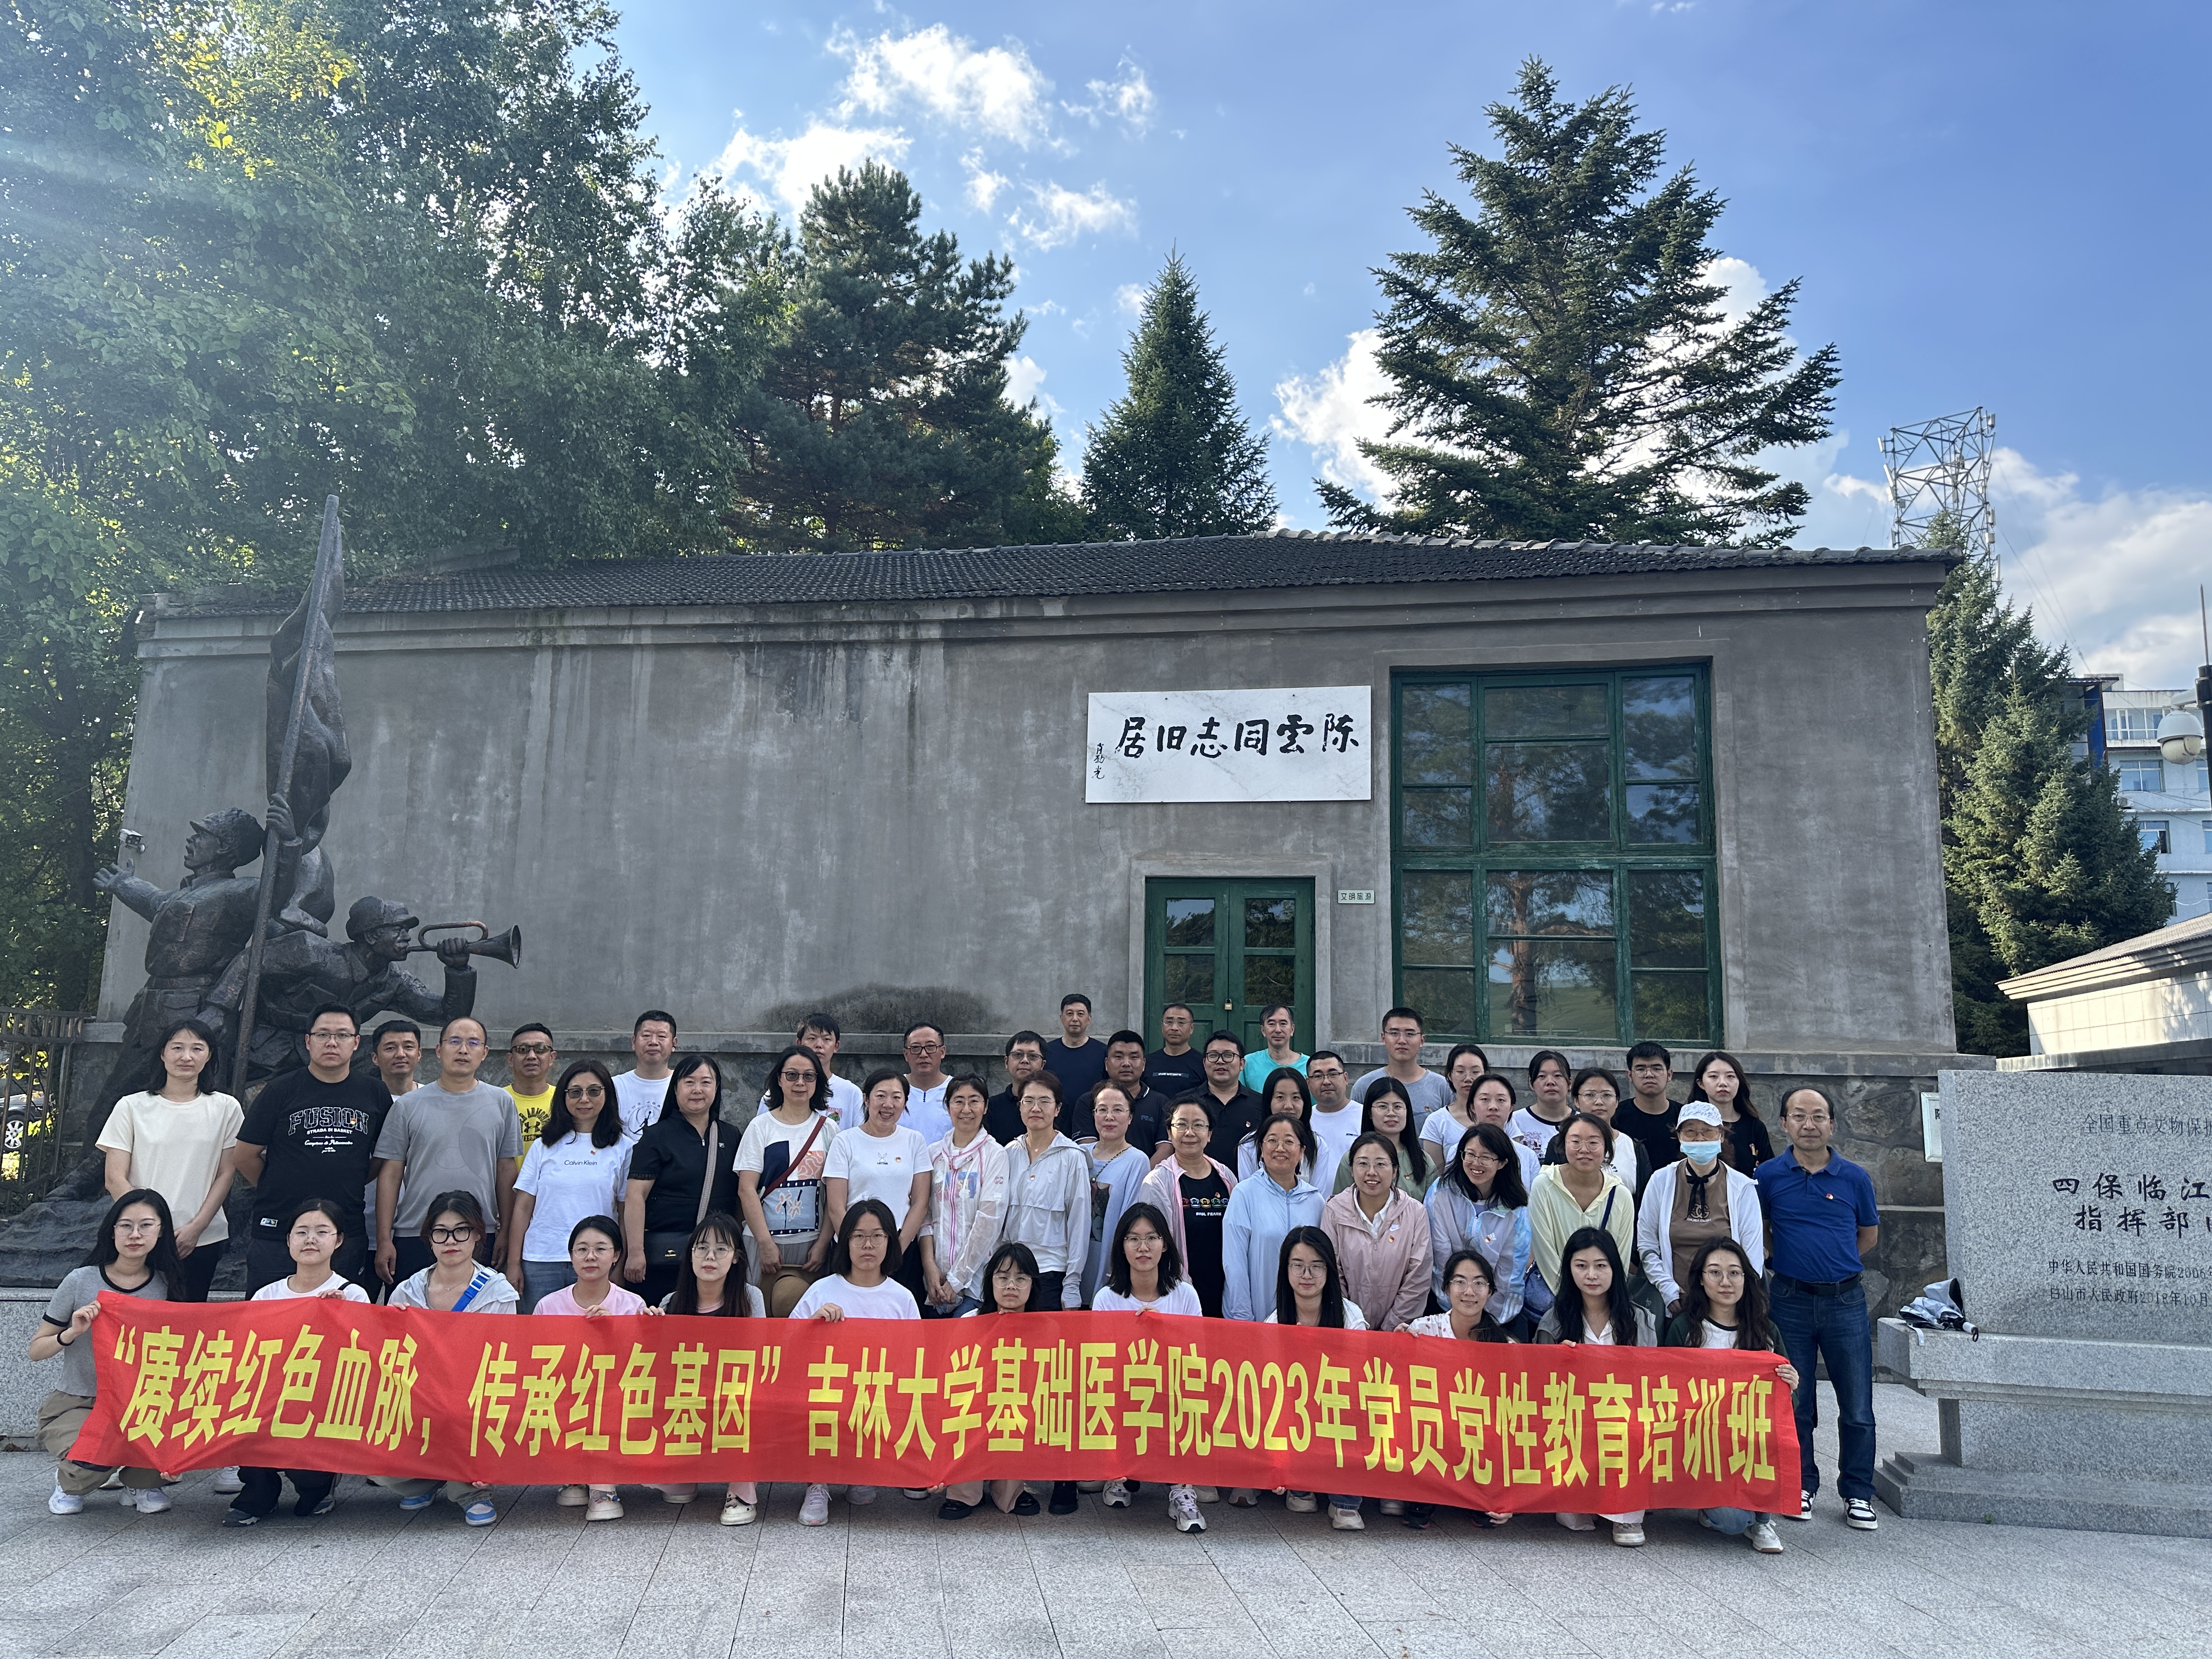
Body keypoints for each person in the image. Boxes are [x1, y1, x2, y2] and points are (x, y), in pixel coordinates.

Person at [1757, 1085, 1881, 1531]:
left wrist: (1834, 1264)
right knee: (1796, 1401)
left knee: (1857, 1404)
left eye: (1818, 1117)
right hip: (1789, 1299)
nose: (1808, 1125)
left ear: (1831, 1123)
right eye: (1799, 1116)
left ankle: (1858, 1492)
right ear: (1784, 1123)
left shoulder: (1855, 1178)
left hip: (1845, 1301)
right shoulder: (1768, 1176)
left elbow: (1868, 1235)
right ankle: (1802, 1484)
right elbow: (1762, 1230)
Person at [32, 1188, 180, 1515]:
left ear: (161, 1231)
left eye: (146, 1225)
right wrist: (71, 1333)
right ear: (112, 1231)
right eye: (125, 1225)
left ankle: (140, 1483)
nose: (135, 1235)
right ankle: (70, 1480)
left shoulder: (168, 1285)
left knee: (172, 1448)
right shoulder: (80, 1281)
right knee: (92, 1456)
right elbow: (36, 1350)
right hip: (80, 1401)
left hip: (143, 1403)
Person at [227, 1197, 370, 1526]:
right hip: (270, 1397)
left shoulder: (353, 1294)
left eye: (322, 1232)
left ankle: (319, 1486)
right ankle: (259, 1492)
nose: (310, 1240)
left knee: (309, 1479)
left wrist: (341, 1318)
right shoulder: (267, 1295)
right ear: (288, 1239)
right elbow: (247, 1353)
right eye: (302, 1232)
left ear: (338, 1240)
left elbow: (362, 1360)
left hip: (321, 1402)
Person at [376, 1190, 516, 1525]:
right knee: (376, 1446)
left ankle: (471, 1492)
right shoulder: (408, 1290)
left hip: (475, 1391)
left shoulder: (497, 1291)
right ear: (429, 1238)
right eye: (441, 1232)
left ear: (478, 1235)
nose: (451, 1241)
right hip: (419, 1391)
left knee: (458, 1413)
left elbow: (503, 1359)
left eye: (461, 1231)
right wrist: (393, 1325)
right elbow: (389, 1355)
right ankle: (425, 1479)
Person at [235, 1003, 389, 1295]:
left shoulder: (375, 1092)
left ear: (356, 1042)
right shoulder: (280, 1090)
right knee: (269, 1315)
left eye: (342, 1035)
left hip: (344, 1230)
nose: (332, 1042)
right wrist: (277, 1185)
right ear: (308, 1041)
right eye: (323, 1035)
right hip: (279, 1229)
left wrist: (351, 1178)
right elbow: (244, 1155)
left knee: (338, 1315)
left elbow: (383, 1156)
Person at [1664, 1237, 1798, 1554]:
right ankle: (1712, 1506)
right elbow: (1664, 1390)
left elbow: (1782, 1406)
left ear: (1746, 1279)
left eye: (1734, 1273)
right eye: (1715, 1272)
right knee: (1733, 1522)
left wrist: (1792, 1384)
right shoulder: (1685, 1328)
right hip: (1700, 1444)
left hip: (1749, 1443)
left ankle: (1763, 1519)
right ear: (1701, 1279)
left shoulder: (1765, 1331)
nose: (1726, 1282)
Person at [95, 1018, 242, 1303]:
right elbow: (114, 1178)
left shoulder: (226, 1108)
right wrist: (148, 1227)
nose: (187, 1057)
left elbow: (226, 1174)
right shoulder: (132, 1106)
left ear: (209, 1055)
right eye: (177, 1048)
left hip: (200, 1239)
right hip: (139, 1238)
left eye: (197, 1048)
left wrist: (197, 1228)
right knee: (135, 1319)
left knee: (187, 1320)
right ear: (163, 1053)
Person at [792, 1200, 920, 1525]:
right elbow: (786, 1346)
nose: (868, 1245)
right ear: (845, 1241)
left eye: (877, 1236)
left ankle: (861, 1470)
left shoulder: (902, 1298)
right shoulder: (822, 1290)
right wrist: (813, 1323)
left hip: (878, 1393)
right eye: (859, 1236)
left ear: (890, 1241)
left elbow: (916, 1358)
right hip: (829, 1391)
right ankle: (817, 1483)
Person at [373, 1015, 521, 1286]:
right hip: (415, 1231)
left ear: (485, 1053)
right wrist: (384, 1239)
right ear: (439, 1050)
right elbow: (391, 1174)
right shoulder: (408, 1105)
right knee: (412, 1311)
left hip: (479, 1231)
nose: (463, 1050)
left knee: (475, 1311)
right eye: (455, 1041)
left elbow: (506, 1170)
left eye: (473, 1043)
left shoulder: (501, 1102)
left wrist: (506, 1232)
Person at [1534, 1227, 1656, 1545]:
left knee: (1634, 1429)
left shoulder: (1639, 1320)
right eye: (1581, 1266)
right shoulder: (1554, 1321)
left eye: (1601, 1266)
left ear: (1615, 1268)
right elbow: (1541, 1387)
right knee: (1573, 1515)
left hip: (1623, 1415)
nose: (1591, 1275)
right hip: (1574, 1416)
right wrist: (1561, 1364)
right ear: (1569, 1269)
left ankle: (1626, 1515)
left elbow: (1652, 1382)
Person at [1088, 1206, 1205, 1529]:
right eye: (1134, 1239)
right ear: (1122, 1246)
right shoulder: (1106, 1299)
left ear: (1164, 1244)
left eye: (1152, 1238)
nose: (1143, 1248)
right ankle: (1118, 1471)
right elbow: (1099, 1361)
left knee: (1189, 1397)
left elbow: (1198, 1358)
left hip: (1173, 1389)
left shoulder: (1185, 1295)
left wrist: (1165, 1332)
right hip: (1125, 1388)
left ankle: (1182, 1487)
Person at [657, 1212, 766, 1525]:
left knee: (745, 1402)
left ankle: (741, 1490)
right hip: (688, 1392)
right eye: (702, 1248)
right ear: (690, 1254)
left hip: (733, 1390)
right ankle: (685, 1472)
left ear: (736, 1257)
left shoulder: (750, 1298)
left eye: (721, 1249)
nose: (710, 1257)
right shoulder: (671, 1302)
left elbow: (759, 1357)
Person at [537, 1215, 647, 1520]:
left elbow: (640, 1367)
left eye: (600, 1249)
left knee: (604, 1400)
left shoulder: (632, 1304)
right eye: (582, 1249)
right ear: (571, 1255)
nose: (590, 1257)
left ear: (617, 1256)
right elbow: (537, 1364)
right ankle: (574, 1475)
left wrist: (614, 1331)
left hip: (614, 1394)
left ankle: (603, 1486)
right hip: (564, 1392)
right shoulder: (548, 1306)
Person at [1402, 1248, 1516, 1530]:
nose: (1469, 1292)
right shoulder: (1423, 1330)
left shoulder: (1505, 1346)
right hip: (1434, 1429)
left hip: (1478, 1434)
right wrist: (1397, 1346)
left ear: (1490, 1291)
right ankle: (1423, 1493)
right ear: (1446, 1288)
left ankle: (1483, 1493)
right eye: (1460, 1282)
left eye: (1479, 1283)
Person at [505, 1059, 630, 1311]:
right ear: (563, 1096)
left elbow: (625, 1210)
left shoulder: (623, 1147)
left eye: (593, 1091)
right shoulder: (544, 1145)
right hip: (541, 1260)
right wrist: (513, 1263)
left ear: (607, 1094)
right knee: (541, 1333)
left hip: (596, 1261)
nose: (584, 1099)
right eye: (575, 1092)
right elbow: (523, 1208)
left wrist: (622, 1261)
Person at [939, 1242, 1052, 1520]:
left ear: (1032, 1284)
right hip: (975, 1403)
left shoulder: (1047, 1327)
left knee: (1017, 1414)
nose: (1011, 1286)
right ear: (991, 1282)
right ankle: (963, 1492)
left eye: (1021, 1279)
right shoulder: (970, 1321)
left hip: (1019, 1405)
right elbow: (953, 1375)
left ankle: (1010, 1491)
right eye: (1003, 1277)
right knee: (966, 1414)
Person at [1265, 1228, 1367, 1528]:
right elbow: (1267, 1388)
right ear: (1286, 1270)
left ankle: (1345, 1501)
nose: (1307, 1275)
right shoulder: (1274, 1322)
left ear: (1329, 1270)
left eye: (1316, 1266)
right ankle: (1299, 1487)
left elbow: (1359, 1380)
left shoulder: (1350, 1316)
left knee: (1352, 1413)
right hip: (1296, 1412)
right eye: (1298, 1266)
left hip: (1338, 1409)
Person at [622, 1054, 739, 1308]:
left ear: (717, 1088)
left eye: (706, 1082)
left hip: (715, 1258)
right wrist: (636, 1252)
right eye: (689, 1082)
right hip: (664, 1259)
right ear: (675, 1089)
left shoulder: (731, 1136)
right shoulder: (656, 1137)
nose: (698, 1090)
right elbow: (635, 1196)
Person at [737, 1045, 840, 1318]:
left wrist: (823, 1244)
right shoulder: (760, 1127)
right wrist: (765, 1243)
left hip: (811, 1245)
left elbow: (834, 1195)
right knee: (758, 1316)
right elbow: (746, 1189)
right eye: (792, 1075)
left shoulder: (829, 1129)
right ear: (779, 1080)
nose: (800, 1083)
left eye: (808, 1076)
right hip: (763, 1242)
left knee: (807, 1318)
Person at [1637, 1101, 1765, 1318]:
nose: (1700, 1139)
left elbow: (1752, 1255)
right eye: (1690, 1132)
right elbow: (1647, 1243)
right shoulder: (1660, 1181)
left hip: (1727, 1305)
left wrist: (1730, 1299)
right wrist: (1667, 1288)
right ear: (1679, 1137)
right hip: (1675, 1301)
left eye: (1708, 1132)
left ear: (1721, 1136)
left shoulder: (1742, 1188)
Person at [823, 1068, 932, 1306]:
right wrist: (854, 1245)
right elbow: (836, 1207)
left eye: (896, 1097)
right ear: (866, 1099)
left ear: (905, 1102)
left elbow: (920, 1202)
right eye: (881, 1096)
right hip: (853, 1249)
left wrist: (895, 1250)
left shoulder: (915, 1141)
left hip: (901, 1250)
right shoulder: (845, 1141)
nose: (888, 1105)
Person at [1136, 1097, 1236, 1317]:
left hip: (1225, 1291)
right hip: (1179, 1292)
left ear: (1209, 1134)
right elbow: (1155, 1245)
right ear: (1169, 1133)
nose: (1190, 1133)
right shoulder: (1157, 1182)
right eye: (1181, 1125)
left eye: (1198, 1125)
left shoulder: (1226, 1177)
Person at [1322, 1132, 1431, 1331]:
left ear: (1395, 1171)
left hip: (1398, 1331)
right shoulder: (1335, 1211)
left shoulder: (1415, 1213)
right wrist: (1353, 1324)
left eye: (1381, 1164)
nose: (1371, 1172)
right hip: (1348, 1328)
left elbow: (1418, 1277)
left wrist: (1389, 1329)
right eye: (1363, 1164)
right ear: (1352, 1169)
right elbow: (1332, 1272)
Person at [1425, 1124, 1531, 1328]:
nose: (1476, 1163)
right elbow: (1440, 1257)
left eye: (1486, 1157)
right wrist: (1457, 1311)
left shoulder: (1516, 1208)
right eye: (1470, 1155)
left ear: (1502, 1163)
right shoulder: (1440, 1194)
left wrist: (1489, 1320)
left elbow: (1510, 1271)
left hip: (1496, 1315)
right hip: (1446, 1308)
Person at [921, 1074, 1008, 1316]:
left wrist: (957, 1280)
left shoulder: (995, 1155)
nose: (966, 1110)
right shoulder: (933, 1154)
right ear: (948, 1106)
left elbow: (988, 1222)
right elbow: (925, 1216)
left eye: (974, 1101)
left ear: (986, 1106)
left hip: (976, 1284)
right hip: (935, 1285)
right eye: (959, 1101)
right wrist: (930, 1269)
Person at [1222, 1113, 1322, 1322]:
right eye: (1272, 1141)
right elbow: (1235, 1264)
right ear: (1261, 1149)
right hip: (1257, 1316)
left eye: (1289, 1142)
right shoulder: (1245, 1194)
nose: (1280, 1148)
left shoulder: (1315, 1200)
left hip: (1305, 1320)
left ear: (1302, 1151)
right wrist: (1243, 1318)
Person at [1001, 1072, 1089, 1309]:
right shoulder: (1008, 1153)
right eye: (1028, 1101)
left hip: (1050, 1273)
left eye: (1044, 1101)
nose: (1036, 1108)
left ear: (1057, 1109)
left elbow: (1079, 1223)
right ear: (1020, 1107)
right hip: (1009, 1273)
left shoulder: (1072, 1157)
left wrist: (1072, 1283)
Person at [1528, 1112, 1635, 1304]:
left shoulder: (1620, 1195)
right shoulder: (1544, 1186)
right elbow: (1545, 1250)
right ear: (1563, 1145)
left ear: (1606, 1148)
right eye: (1575, 1142)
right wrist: (1570, 1299)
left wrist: (1600, 1302)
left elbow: (1621, 1257)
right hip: (1558, 1299)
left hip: (1605, 1300)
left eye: (1593, 1143)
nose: (1584, 1150)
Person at [1077, 1083, 1150, 1306]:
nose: (1109, 1117)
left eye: (1118, 1110)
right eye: (1102, 1109)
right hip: (1072, 1264)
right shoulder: (1077, 1154)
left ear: (1130, 1117)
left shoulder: (1137, 1161)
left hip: (1108, 1267)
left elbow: (1131, 1220)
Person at [1542, 1066, 1648, 1194]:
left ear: (1617, 1102)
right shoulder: (1560, 1144)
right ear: (1576, 1101)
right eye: (1590, 1095)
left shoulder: (1634, 1147)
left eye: (1607, 1095)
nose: (1599, 1102)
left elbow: (1645, 1197)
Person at [1330, 1078, 1431, 1198]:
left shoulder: (1423, 1160)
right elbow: (1340, 1205)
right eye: (1383, 1106)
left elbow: (1433, 1205)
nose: (1391, 1113)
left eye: (1397, 1107)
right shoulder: (1352, 1159)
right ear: (1369, 1113)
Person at [758, 1013, 863, 1128]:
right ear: (799, 1043)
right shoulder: (777, 1093)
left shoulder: (851, 1093)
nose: (819, 1045)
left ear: (836, 1046)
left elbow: (859, 1135)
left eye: (827, 1039)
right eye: (812, 1038)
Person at [1352, 1006, 1452, 1119]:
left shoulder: (1442, 1087)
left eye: (1410, 1034)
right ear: (1383, 1038)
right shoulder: (1365, 1086)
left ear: (1422, 1040)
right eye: (1394, 1033)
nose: (1402, 1041)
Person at [1180, 1031, 1262, 1165]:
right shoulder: (1184, 1103)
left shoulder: (1261, 1104)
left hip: (1247, 1178)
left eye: (1228, 1055)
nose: (1220, 1061)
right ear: (1204, 1063)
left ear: (1242, 1064)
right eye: (1213, 1056)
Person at [1084, 1031, 1170, 1153]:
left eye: (1134, 1057)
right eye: (1119, 1057)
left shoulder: (1161, 1102)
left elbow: (1165, 1148)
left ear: (1144, 1064)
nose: (1126, 1064)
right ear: (1106, 1064)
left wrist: (1140, 1166)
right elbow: (1086, 1148)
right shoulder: (1089, 1100)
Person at [1690, 1050, 1773, 1175]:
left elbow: (1769, 1171)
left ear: (1739, 1082)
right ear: (1701, 1083)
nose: (1723, 1083)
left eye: (1730, 1077)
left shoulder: (1754, 1127)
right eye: (1714, 1077)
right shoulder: (1690, 1126)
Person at [1615, 1040, 1680, 1194]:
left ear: (1669, 1074)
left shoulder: (1684, 1117)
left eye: (1657, 1068)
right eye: (1641, 1069)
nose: (1649, 1074)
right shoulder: (1616, 1116)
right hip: (1631, 1198)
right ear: (1629, 1075)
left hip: (1675, 1195)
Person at [1416, 1042, 1490, 1171]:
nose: (1468, 1078)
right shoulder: (1436, 1121)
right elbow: (1437, 1174)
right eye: (1460, 1072)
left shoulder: (1499, 1115)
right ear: (1450, 1075)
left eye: (1475, 1072)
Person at [1465, 1071, 1541, 1190]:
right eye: (1485, 1099)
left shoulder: (1527, 1156)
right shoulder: (1458, 1152)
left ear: (1511, 1108)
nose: (1493, 1107)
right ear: (1472, 1107)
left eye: (1501, 1100)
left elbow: (1535, 1197)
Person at [1235, 1068, 1315, 1181]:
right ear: (1269, 1102)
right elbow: (1247, 1189)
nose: (1288, 1106)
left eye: (1296, 1098)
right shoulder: (1248, 1146)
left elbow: (1319, 1191)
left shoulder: (1318, 1145)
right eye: (1280, 1097)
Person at [613, 1010, 678, 1145]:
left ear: (674, 1044)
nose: (653, 1042)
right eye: (646, 1036)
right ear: (634, 1042)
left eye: (662, 1036)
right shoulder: (614, 1086)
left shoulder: (683, 1086)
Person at [1042, 994, 1109, 1108]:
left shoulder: (1104, 1052)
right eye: (1069, 1014)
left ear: (1089, 1019)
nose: (1075, 1019)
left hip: (1091, 1116)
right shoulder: (1046, 1051)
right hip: (1055, 1116)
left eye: (1080, 1014)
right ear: (1061, 1018)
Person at [1304, 1050, 1361, 1178]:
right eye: (1318, 1076)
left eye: (1333, 1074)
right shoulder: (1303, 1120)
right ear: (1308, 1083)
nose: (1326, 1082)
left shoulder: (1365, 1116)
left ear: (1346, 1078)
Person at [985, 1030, 1048, 1144]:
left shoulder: (1053, 1104)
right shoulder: (991, 1106)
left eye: (1033, 1056)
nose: (1025, 1061)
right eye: (1018, 1055)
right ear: (1006, 1062)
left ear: (1043, 1065)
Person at [500, 1023, 558, 1147]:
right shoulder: (497, 1100)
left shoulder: (564, 1100)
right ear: (511, 1059)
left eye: (540, 1049)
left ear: (552, 1058)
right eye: (522, 1049)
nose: (531, 1056)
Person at [1509, 1050, 1575, 1158]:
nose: (1550, 1082)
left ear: (1570, 1083)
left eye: (1558, 1076)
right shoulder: (1514, 1122)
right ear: (1532, 1084)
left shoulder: (1582, 1122)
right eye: (1542, 1076)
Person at [901, 1023, 955, 1143]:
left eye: (930, 1047)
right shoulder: (894, 1089)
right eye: (915, 1048)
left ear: (942, 1052)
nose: (923, 1054)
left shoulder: (958, 1090)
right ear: (906, 1054)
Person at [1144, 1002, 1206, 1101]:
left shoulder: (1202, 1064)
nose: (1174, 1028)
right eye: (1169, 1022)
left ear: (1191, 1028)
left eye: (1181, 1023)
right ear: (1162, 1027)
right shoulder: (1147, 1062)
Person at [1239, 1005, 1307, 1093]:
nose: (1278, 1030)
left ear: (1292, 1029)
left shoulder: (1308, 1065)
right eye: (1272, 1024)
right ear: (1263, 1030)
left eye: (1283, 1024)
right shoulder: (1249, 1063)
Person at [370, 1019, 423, 1098]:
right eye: (390, 1048)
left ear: (419, 1054)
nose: (400, 1054)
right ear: (375, 1058)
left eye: (408, 1047)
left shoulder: (432, 1098)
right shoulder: (364, 1099)